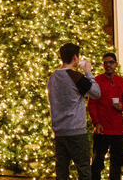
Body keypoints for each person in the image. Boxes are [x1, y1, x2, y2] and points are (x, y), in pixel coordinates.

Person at [47, 43, 100, 180]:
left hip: (59, 132)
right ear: (75, 58)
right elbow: (96, 93)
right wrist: (88, 72)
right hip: (76, 132)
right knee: (83, 170)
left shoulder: (52, 78)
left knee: (62, 171)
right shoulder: (75, 76)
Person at [88, 52, 123, 180]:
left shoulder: (120, 81)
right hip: (102, 129)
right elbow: (92, 105)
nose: (108, 65)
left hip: (118, 129)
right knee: (97, 163)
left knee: (117, 163)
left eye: (111, 62)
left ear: (116, 64)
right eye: (105, 63)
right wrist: (96, 123)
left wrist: (122, 106)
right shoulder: (97, 81)